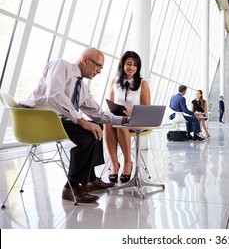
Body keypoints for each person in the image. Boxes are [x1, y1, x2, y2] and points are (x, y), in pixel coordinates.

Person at [19, 47, 131, 203]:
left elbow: (98, 113)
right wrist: (81, 121)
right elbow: (54, 95)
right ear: (85, 59)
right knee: (87, 134)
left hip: (55, 120)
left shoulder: (82, 87)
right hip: (38, 120)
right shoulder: (61, 66)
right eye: (98, 65)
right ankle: (71, 187)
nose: (99, 71)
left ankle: (90, 179)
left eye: (101, 68)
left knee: (95, 126)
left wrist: (124, 120)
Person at [104, 51, 151, 183]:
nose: (132, 67)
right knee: (108, 123)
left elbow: (147, 109)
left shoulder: (143, 84)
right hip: (118, 119)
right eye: (129, 64)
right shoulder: (114, 82)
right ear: (122, 65)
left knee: (120, 124)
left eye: (135, 65)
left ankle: (127, 164)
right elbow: (110, 104)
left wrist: (133, 112)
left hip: (136, 120)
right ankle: (114, 164)